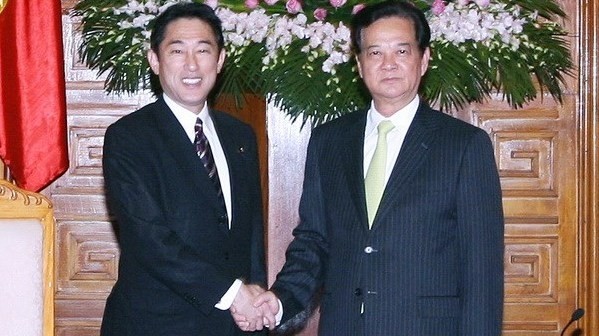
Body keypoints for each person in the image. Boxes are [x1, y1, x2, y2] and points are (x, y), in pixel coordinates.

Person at [244, 1, 505, 335]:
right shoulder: (330, 141)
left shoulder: (464, 145)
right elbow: (314, 241)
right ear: (359, 63)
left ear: (423, 59)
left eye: (401, 51)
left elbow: (481, 269)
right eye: (375, 53)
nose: (389, 64)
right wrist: (280, 301)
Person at [100, 3, 271, 335]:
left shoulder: (240, 136)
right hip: (155, 322)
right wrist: (235, 294)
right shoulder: (129, 137)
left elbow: (250, 232)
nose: (192, 64)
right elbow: (150, 239)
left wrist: (256, 300)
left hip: (233, 324)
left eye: (203, 50)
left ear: (220, 60)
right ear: (155, 59)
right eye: (177, 50)